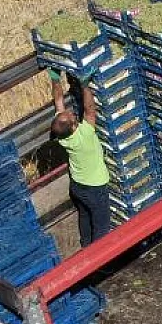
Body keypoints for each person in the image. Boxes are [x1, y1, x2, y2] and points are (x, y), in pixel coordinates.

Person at [48, 70, 111, 248]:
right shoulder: (84, 137)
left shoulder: (62, 134)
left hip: (77, 187)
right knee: (101, 227)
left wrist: (55, 79)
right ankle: (99, 260)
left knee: (84, 217)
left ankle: (85, 247)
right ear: (74, 127)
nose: (71, 113)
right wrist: (84, 84)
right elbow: (90, 110)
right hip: (94, 189)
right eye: (73, 116)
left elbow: (58, 102)